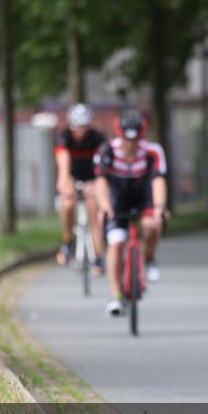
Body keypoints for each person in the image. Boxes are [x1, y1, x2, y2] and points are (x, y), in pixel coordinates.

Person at [93, 108, 168, 316]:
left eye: (136, 140)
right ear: (120, 135)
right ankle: (116, 297)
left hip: (143, 194)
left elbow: (158, 181)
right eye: (127, 140)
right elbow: (100, 182)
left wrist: (160, 207)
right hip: (117, 197)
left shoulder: (153, 151)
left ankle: (149, 258)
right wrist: (105, 206)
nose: (131, 145)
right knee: (116, 243)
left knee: (152, 225)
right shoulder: (107, 150)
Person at [55, 103, 106, 272]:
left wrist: (98, 185)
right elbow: (63, 163)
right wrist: (64, 183)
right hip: (72, 177)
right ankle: (68, 241)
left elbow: (102, 165)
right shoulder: (65, 138)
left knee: (94, 212)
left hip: (92, 178)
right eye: (77, 127)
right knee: (68, 203)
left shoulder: (98, 139)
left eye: (84, 126)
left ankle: (99, 256)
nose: (80, 131)